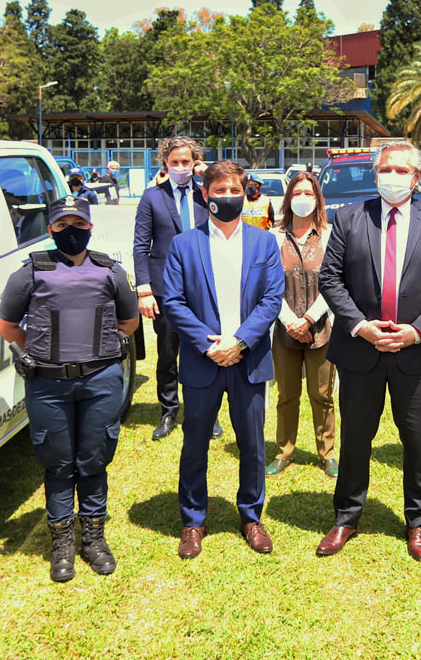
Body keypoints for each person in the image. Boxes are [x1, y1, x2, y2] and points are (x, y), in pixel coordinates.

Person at [316, 141, 421, 561]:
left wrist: (416, 332)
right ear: (375, 174)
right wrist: (360, 327)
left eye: (401, 170)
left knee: (419, 442)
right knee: (355, 439)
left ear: (416, 178)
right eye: (385, 169)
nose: (392, 177)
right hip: (360, 351)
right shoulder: (349, 218)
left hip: (417, 353)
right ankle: (346, 516)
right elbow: (330, 279)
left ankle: (418, 521)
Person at [0, 195, 140, 582]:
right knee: (58, 464)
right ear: (50, 230)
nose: (70, 231)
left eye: (78, 224)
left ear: (90, 227)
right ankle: (62, 543)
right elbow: (6, 327)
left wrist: (99, 346)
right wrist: (40, 349)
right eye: (62, 225)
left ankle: (93, 538)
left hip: (100, 381)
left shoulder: (110, 271)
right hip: (48, 384)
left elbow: (129, 322)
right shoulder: (29, 273)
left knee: (94, 461)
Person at [161, 161, 284, 559]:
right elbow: (173, 301)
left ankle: (251, 515)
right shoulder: (184, 244)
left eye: (235, 190)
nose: (228, 197)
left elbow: (271, 299)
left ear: (245, 194)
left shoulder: (264, 243)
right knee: (195, 442)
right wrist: (207, 344)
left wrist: (241, 341)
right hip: (204, 361)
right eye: (220, 191)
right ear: (205, 194)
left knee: (253, 444)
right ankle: (193, 520)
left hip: (248, 360)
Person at [133, 136, 223, 441]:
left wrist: (210, 176)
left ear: (195, 162)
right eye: (175, 162)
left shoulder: (207, 194)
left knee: (205, 349)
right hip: (165, 288)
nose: (181, 167)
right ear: (165, 164)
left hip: (204, 286)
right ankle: (169, 410)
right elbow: (140, 245)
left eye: (186, 162)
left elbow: (236, 198)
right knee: (168, 352)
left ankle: (208, 412)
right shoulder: (152, 197)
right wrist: (144, 289)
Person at [267, 172, 337, 479]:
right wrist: (290, 322)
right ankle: (284, 451)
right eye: (297, 193)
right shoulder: (274, 237)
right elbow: (269, 285)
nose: (303, 199)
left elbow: (334, 284)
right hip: (285, 331)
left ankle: (328, 454)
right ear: (288, 199)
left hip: (321, 330)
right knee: (287, 395)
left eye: (309, 193)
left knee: (322, 395)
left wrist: (308, 319)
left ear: (318, 199)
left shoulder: (330, 236)